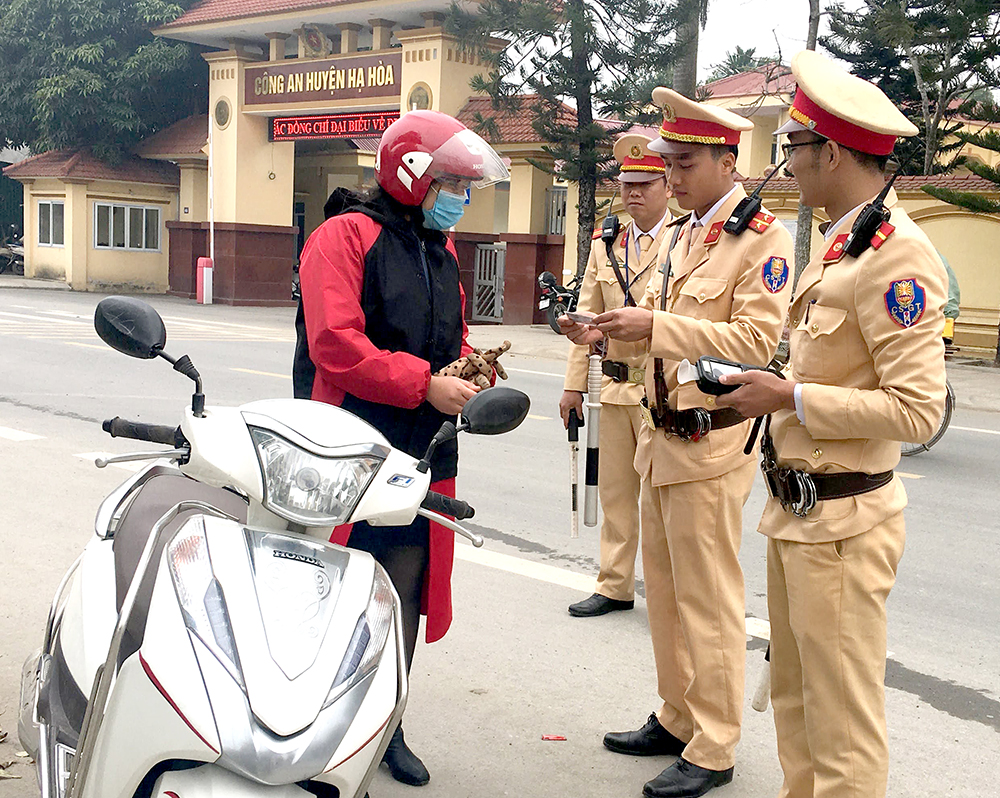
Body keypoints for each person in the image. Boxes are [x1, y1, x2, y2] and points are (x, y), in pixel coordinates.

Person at [714, 50, 948, 798]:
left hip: (844, 521)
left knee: (841, 724)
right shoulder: (846, 242)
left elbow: (918, 410)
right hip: (802, 512)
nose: (788, 167)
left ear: (834, 152)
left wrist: (790, 400)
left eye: (794, 150)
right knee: (795, 704)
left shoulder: (896, 257)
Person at [561, 88, 793, 798]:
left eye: (685, 163)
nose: (675, 176)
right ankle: (677, 712)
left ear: (729, 162)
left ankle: (716, 743)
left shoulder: (762, 239)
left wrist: (653, 326)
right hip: (661, 436)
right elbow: (661, 332)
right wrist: (605, 333)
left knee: (708, 598)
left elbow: (755, 342)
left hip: (713, 440)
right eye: (670, 162)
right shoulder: (688, 234)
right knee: (662, 592)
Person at [292, 110, 509, 787]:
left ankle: (386, 723)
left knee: (403, 590)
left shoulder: (438, 249)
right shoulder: (343, 237)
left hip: (422, 450)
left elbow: (453, 336)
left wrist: (471, 368)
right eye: (453, 184)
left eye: (467, 188)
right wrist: (425, 384)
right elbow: (336, 345)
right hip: (349, 443)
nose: (461, 200)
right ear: (413, 174)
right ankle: (308, 726)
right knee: (337, 587)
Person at [560, 133, 674, 618]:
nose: (633, 193)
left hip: (661, 390)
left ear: (667, 185)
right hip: (611, 387)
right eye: (627, 183)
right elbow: (587, 316)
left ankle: (670, 595)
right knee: (614, 494)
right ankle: (614, 584)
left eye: (645, 184)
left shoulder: (686, 240)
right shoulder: (607, 243)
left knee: (662, 501)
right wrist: (572, 385)